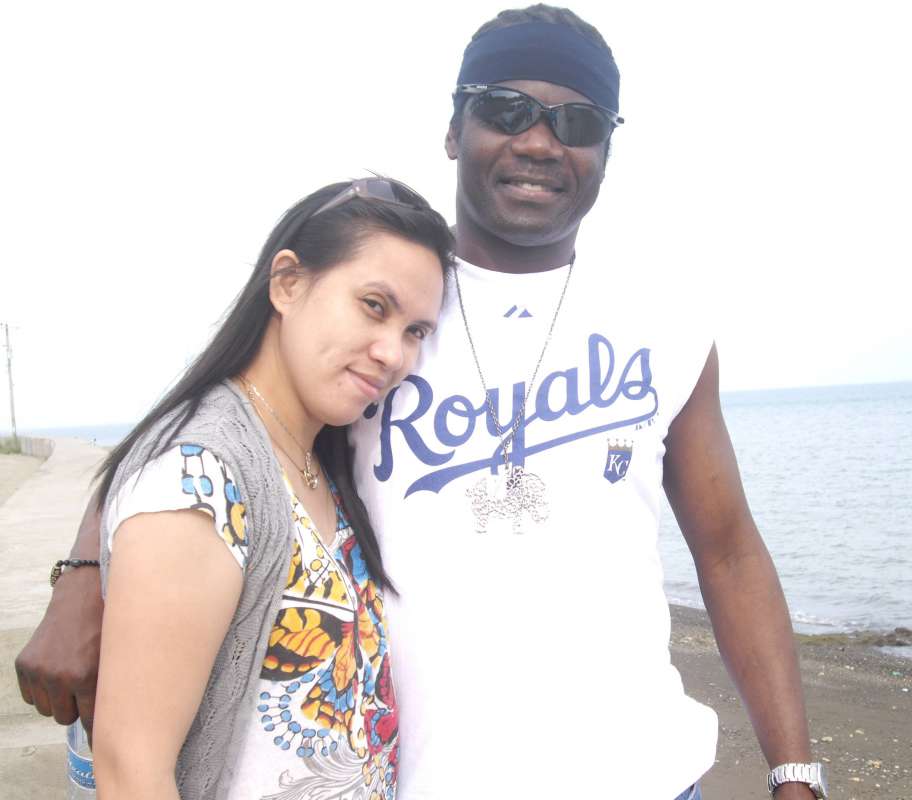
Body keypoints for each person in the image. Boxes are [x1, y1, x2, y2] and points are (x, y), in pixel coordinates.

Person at [16, 6, 826, 799]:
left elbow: (729, 552)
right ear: (454, 129)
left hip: (645, 776)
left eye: (577, 123)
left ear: (606, 152)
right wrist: (85, 574)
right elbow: (210, 417)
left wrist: (793, 769)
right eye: (506, 110)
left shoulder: (667, 326)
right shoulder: (386, 300)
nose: (539, 141)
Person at [81, 177, 451, 798]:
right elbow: (130, 770)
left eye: (416, 331)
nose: (394, 353)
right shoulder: (198, 481)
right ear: (287, 283)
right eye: (373, 306)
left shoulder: (317, 458)